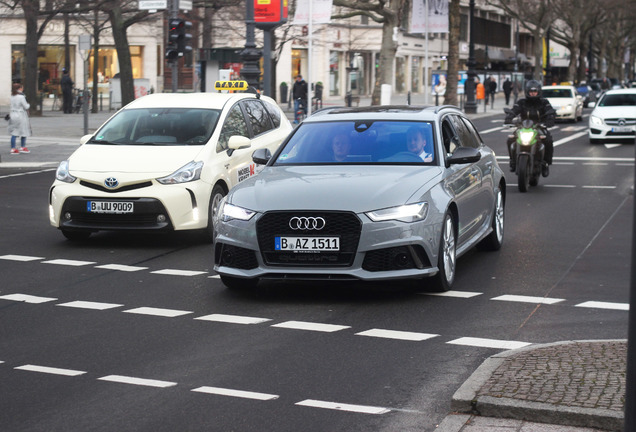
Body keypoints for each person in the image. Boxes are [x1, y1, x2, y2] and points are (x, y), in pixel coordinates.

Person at [504, 79, 556, 177]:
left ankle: (546, 163)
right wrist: (509, 118)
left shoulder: (544, 102)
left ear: (539, 92)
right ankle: (513, 161)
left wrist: (550, 120)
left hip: (539, 127)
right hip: (523, 127)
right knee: (510, 140)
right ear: (527, 92)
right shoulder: (522, 102)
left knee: (548, 141)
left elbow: (550, 111)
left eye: (535, 92)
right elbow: (514, 110)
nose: (533, 94)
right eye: (531, 92)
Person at [8, 83, 32, 155]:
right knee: (24, 131)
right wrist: (28, 104)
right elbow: (26, 106)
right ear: (19, 88)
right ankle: (22, 146)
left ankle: (13, 148)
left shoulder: (12, 96)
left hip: (13, 114)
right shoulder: (21, 97)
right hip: (21, 114)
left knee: (14, 132)